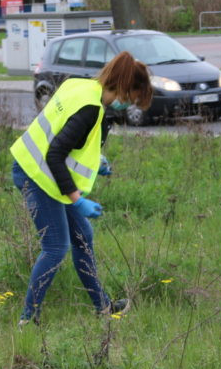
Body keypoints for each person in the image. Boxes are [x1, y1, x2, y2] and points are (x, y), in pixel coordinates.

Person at [10, 51, 153, 326]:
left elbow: (66, 135)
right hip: (35, 175)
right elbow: (54, 154)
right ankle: (28, 319)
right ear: (124, 88)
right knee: (55, 246)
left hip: (43, 172)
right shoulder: (91, 109)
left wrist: (94, 160)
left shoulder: (81, 85)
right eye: (133, 98)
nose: (129, 105)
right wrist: (77, 200)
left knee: (83, 236)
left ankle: (103, 307)